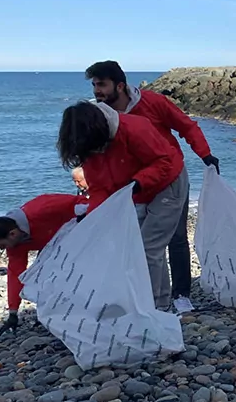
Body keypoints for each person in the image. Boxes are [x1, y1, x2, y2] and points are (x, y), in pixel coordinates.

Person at [89, 60, 218, 315]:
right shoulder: (100, 116)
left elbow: (185, 125)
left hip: (169, 177)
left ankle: (180, 295)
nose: (97, 91)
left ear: (120, 85)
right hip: (135, 186)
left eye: (101, 84)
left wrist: (205, 154)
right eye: (94, 85)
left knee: (175, 238)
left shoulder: (152, 103)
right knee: (142, 245)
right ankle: (148, 299)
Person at [57, 101, 184, 312]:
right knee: (146, 248)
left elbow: (164, 161)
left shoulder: (135, 128)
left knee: (148, 248)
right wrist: (93, 217)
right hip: (136, 190)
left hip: (167, 183)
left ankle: (151, 308)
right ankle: (159, 305)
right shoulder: (87, 145)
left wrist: (138, 182)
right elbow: (99, 188)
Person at [0, 194, 88, 333]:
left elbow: (83, 201)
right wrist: (13, 313)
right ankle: (57, 313)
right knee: (44, 276)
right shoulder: (15, 246)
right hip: (53, 246)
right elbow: (16, 276)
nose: (2, 249)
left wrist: (84, 215)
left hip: (82, 232)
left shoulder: (41, 208)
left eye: (1, 244)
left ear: (12, 234)